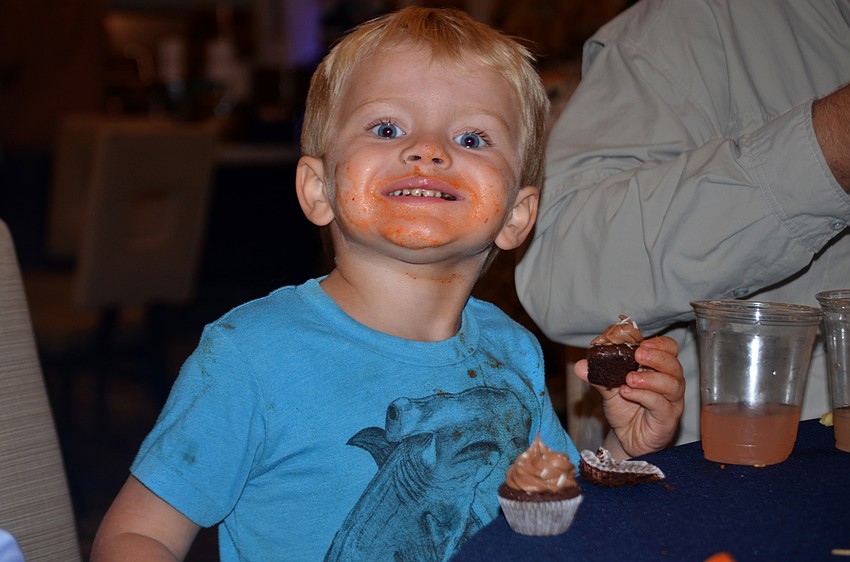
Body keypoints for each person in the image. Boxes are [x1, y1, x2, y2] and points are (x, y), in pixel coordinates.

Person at [90, 7, 684, 562]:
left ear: (517, 216)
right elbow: (136, 533)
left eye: (472, 138)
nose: (427, 150)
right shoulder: (251, 357)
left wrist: (625, 450)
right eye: (386, 127)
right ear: (318, 190)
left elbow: (552, 522)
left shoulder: (512, 351)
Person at [515, 0, 850, 446]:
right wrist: (828, 146)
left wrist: (623, 451)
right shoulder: (701, 20)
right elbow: (559, 267)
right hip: (755, 464)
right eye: (387, 130)